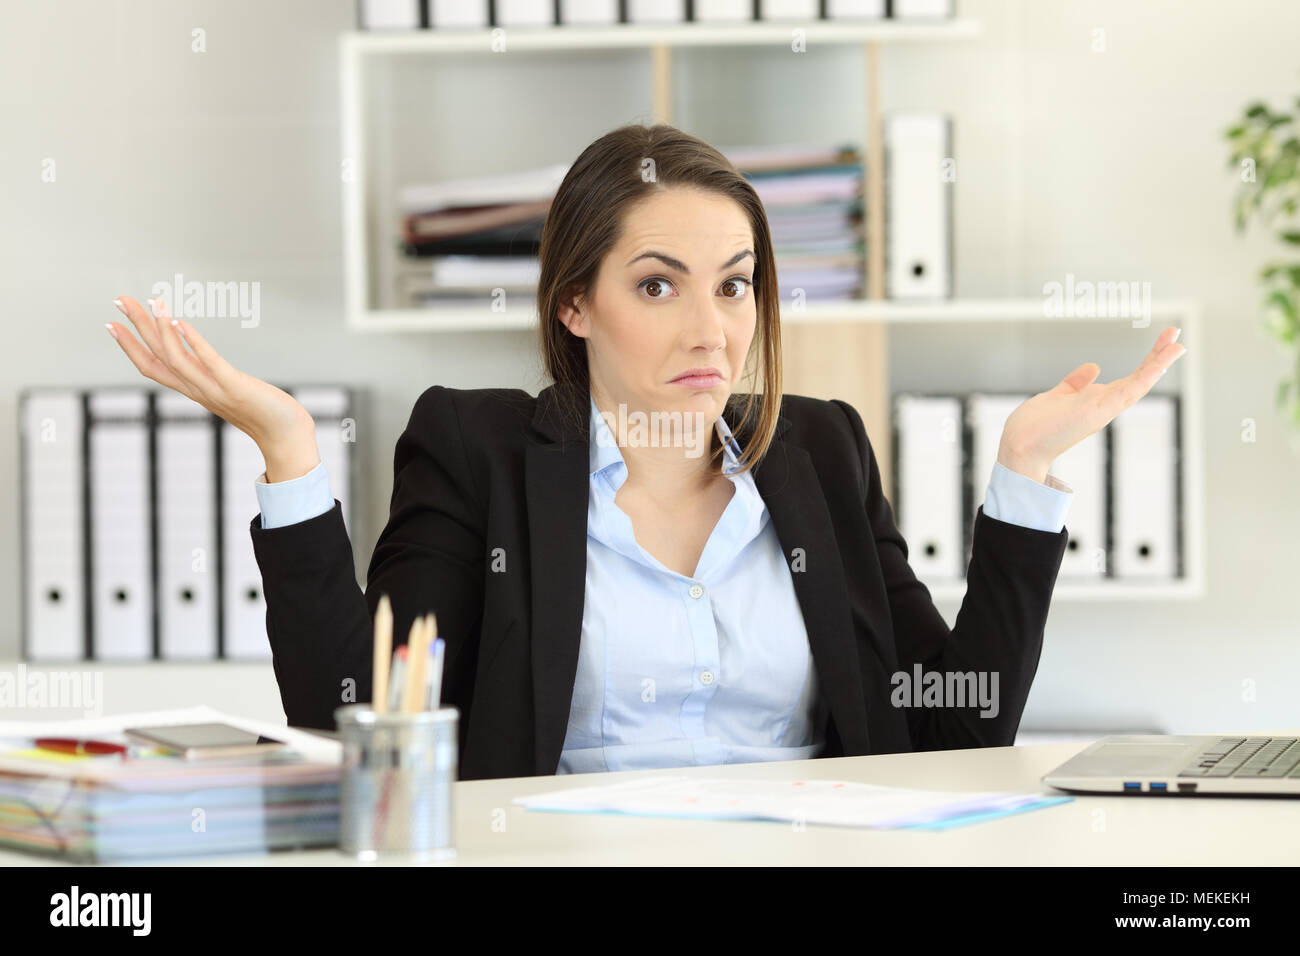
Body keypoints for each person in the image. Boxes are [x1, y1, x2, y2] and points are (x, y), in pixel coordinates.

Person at [105, 123, 1187, 781]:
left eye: (733, 283)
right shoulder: (473, 447)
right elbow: (356, 715)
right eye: (657, 284)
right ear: (574, 301)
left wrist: (1023, 480)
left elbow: (959, 724)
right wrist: (289, 453)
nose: (710, 328)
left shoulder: (820, 448)